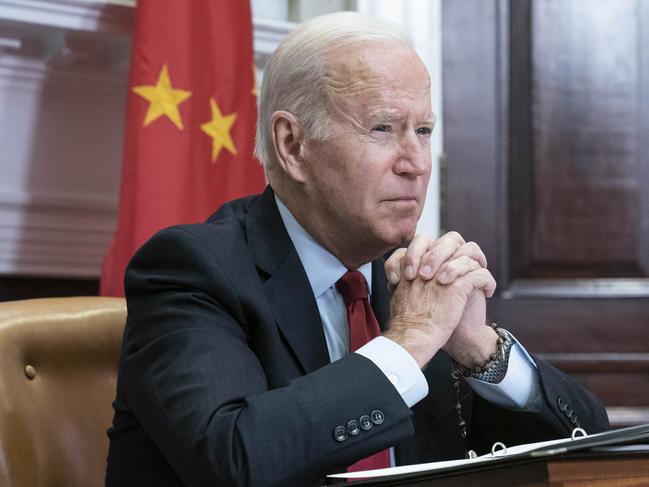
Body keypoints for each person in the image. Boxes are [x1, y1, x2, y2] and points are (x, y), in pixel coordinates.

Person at [105, 12, 608, 487]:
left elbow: (593, 450)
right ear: (292, 145)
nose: (415, 163)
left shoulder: (411, 282)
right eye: (383, 129)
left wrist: (482, 354)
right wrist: (410, 340)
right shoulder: (192, 271)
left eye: (424, 131)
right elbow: (233, 460)